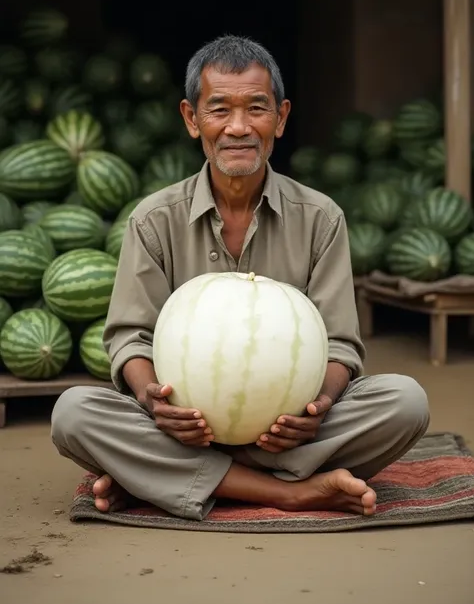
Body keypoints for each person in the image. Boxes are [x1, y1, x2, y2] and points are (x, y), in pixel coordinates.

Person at [51, 35, 430, 521]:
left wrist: (315, 411)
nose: (238, 128)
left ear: (282, 116)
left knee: (405, 403)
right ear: (192, 119)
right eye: (218, 110)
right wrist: (155, 404)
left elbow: (340, 345)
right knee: (75, 413)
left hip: (286, 436)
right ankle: (289, 492)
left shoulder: (321, 217)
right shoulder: (152, 219)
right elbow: (129, 339)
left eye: (256, 108)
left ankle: (168, 479)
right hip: (182, 432)